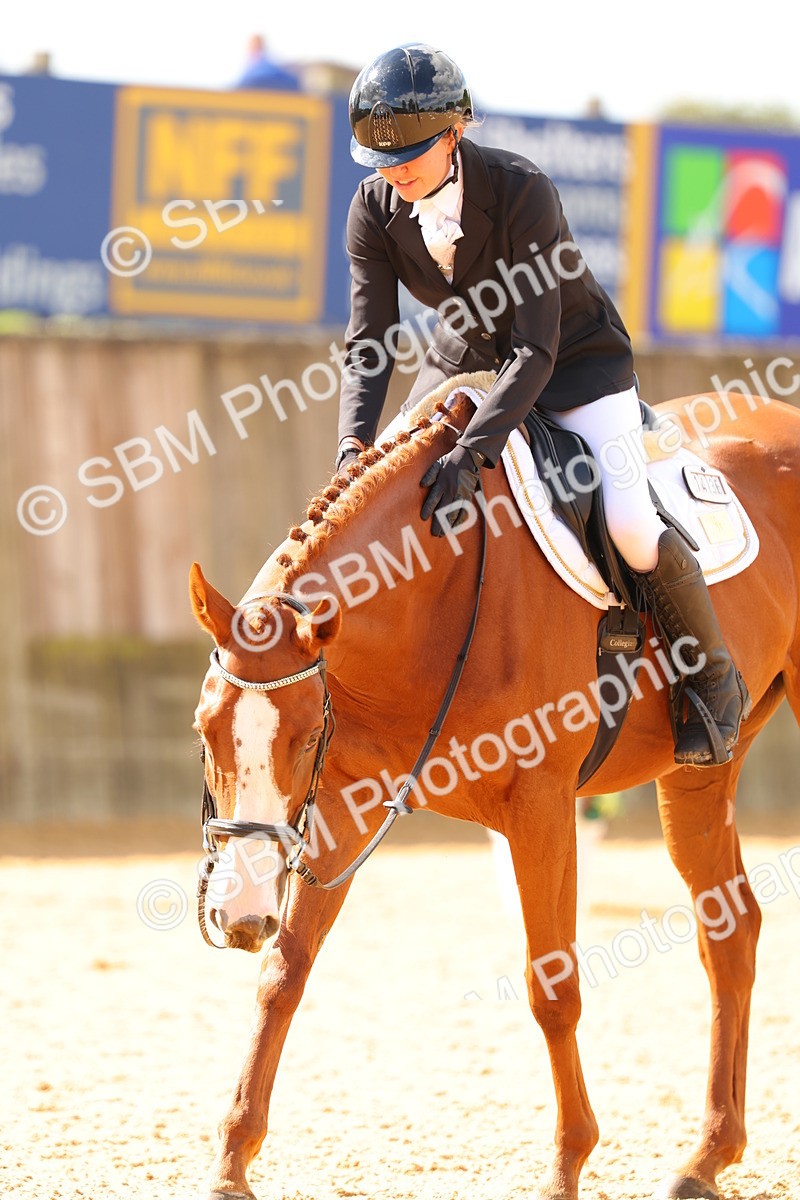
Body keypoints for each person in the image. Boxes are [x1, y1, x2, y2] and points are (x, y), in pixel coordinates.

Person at [335, 43, 749, 768]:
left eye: (410, 157)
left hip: (576, 364)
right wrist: (352, 453)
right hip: (464, 356)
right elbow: (369, 342)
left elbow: (535, 348)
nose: (394, 174)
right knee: (384, 488)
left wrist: (473, 454)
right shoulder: (373, 207)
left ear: (454, 134)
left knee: (627, 520)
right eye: (380, 161)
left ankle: (711, 678)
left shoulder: (523, 190)